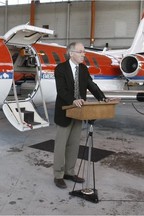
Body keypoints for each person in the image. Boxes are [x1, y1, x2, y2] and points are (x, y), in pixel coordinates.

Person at [53, 42, 108, 189]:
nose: (84, 54)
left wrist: (102, 98)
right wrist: (73, 100)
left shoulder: (83, 69)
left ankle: (69, 172)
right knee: (61, 145)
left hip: (78, 113)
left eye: (84, 52)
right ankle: (58, 175)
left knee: (73, 145)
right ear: (71, 53)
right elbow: (61, 90)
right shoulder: (60, 69)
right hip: (65, 111)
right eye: (81, 51)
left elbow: (91, 85)